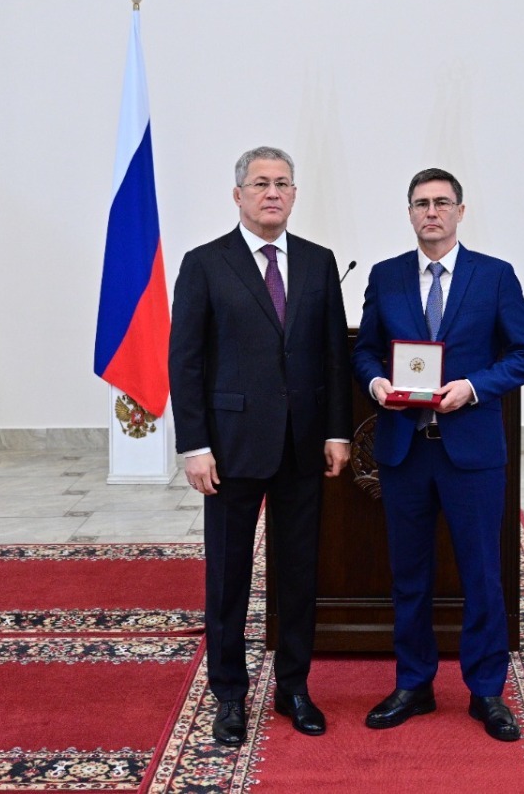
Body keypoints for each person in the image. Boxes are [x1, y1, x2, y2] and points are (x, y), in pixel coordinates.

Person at [351, 167, 524, 742]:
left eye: (441, 202)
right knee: (409, 575)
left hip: (472, 452)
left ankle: (486, 691)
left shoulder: (495, 275)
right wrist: (375, 383)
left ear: (460, 211)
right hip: (405, 450)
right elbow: (364, 351)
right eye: (421, 203)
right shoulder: (386, 276)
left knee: (482, 573)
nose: (431, 212)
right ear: (409, 213)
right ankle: (414, 683)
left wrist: (475, 387)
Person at [168, 146, 352, 746]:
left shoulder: (320, 262)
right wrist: (194, 445)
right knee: (228, 576)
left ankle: (294, 688)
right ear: (238, 195)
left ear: (294, 194)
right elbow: (185, 362)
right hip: (230, 447)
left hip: (303, 447)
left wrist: (336, 430)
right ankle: (229, 693)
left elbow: (333, 354)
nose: (272, 193)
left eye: (282, 183)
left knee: (299, 573)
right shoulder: (204, 263)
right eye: (260, 183)